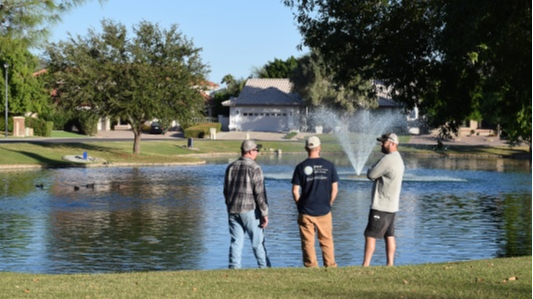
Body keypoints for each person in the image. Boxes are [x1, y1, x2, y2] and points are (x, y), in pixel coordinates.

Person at [291, 136, 339, 268]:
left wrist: (299, 205)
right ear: (319, 148)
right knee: (326, 240)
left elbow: (295, 191)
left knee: (307, 241)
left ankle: (311, 266)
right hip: (324, 209)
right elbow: (335, 189)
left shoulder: (300, 167)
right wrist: (329, 203)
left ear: (306, 148)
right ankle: (330, 265)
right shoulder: (329, 165)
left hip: (306, 210)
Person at [223, 140, 271, 269]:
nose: (257, 153)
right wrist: (264, 213)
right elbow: (259, 193)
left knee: (236, 242)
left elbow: (226, 190)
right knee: (257, 243)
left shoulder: (231, 166)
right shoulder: (255, 167)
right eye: (256, 150)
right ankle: (264, 268)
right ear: (250, 151)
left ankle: (234, 268)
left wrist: (229, 206)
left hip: (233, 210)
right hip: (250, 210)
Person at [363, 133, 405, 267]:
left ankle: (365, 264)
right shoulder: (398, 159)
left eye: (384, 142)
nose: (381, 144)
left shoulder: (388, 159)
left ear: (392, 144)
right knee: (389, 235)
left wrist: (370, 169)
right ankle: (390, 264)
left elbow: (371, 174)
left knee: (370, 235)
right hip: (392, 206)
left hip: (381, 205)